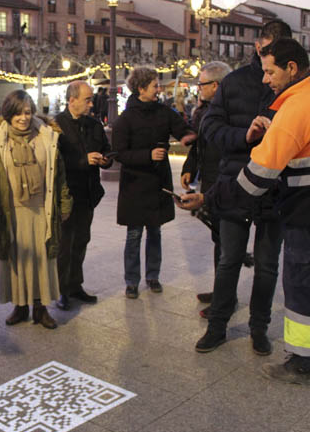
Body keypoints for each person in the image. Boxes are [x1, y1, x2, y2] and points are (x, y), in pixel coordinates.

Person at [178, 38, 310, 387]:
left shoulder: (294, 111)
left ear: (291, 68)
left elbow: (254, 181)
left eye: (270, 71)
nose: (265, 79)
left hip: (306, 213)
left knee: (303, 285)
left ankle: (303, 363)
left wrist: (207, 199)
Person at [194, 20, 292, 355]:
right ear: (257, 46)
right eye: (267, 48)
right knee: (229, 259)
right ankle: (217, 326)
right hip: (235, 183)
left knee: (266, 264)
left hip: (276, 187)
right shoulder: (234, 82)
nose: (270, 59)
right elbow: (210, 126)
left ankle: (258, 327)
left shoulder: (295, 88)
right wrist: (244, 136)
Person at [0, 90, 71, 329]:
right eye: (17, 113)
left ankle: (40, 308)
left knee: (41, 260)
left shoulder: (48, 136)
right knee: (17, 260)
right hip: (11, 211)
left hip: (42, 209)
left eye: (27, 112)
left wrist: (65, 202)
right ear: (8, 113)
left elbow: (59, 175)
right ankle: (20, 306)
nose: (23, 118)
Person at [112, 67, 196, 299]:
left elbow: (181, 128)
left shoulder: (163, 112)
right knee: (134, 234)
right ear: (141, 89)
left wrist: (187, 136)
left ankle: (153, 276)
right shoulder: (125, 119)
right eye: (154, 86)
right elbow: (118, 153)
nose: (158, 89)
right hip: (135, 185)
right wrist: (147, 155)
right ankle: (131, 281)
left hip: (158, 182)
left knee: (155, 232)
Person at [54, 81, 112, 310]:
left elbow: (106, 149)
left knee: (81, 241)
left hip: (88, 194)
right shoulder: (55, 126)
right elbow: (53, 161)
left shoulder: (94, 125)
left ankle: (76, 286)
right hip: (66, 195)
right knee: (64, 245)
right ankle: (62, 290)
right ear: (72, 101)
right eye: (87, 100)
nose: (91, 103)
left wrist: (107, 159)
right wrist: (82, 160)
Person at [181, 61, 232, 306]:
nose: (197, 88)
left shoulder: (230, 112)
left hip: (226, 183)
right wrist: (190, 167)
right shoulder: (207, 111)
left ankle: (225, 297)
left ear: (215, 85)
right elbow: (201, 143)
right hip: (210, 182)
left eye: (201, 84)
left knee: (226, 243)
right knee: (218, 239)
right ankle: (220, 291)